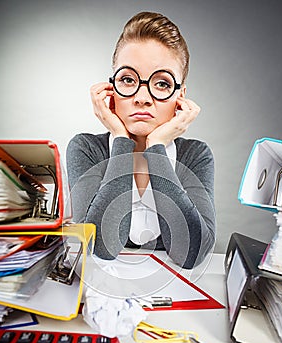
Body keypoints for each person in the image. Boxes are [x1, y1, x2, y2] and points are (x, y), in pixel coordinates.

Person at [66, 11, 215, 269]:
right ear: (111, 88)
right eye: (128, 80)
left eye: (161, 84)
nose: (143, 98)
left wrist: (156, 145)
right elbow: (100, 246)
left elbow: (190, 253)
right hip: (100, 290)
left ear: (180, 95)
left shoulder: (196, 155)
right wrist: (121, 139)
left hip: (175, 297)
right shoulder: (86, 149)